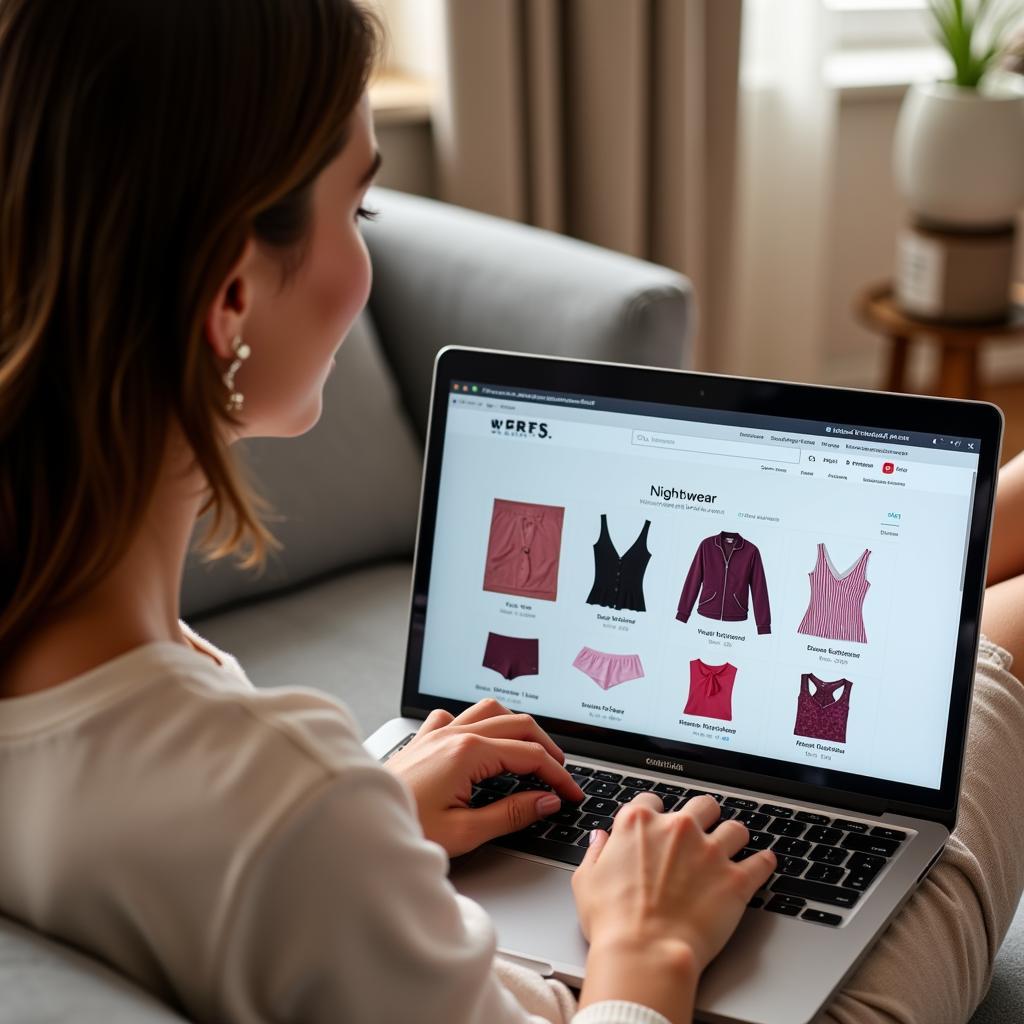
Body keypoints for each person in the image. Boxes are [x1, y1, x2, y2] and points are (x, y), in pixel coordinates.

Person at [0, 2, 1021, 1023]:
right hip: (634, 993)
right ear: (230, 295)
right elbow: (266, 847)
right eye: (358, 212)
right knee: (989, 647)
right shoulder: (288, 802)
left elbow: (221, 871)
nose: (363, 261)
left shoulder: (76, 672)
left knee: (942, 616)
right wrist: (649, 941)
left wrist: (374, 818)